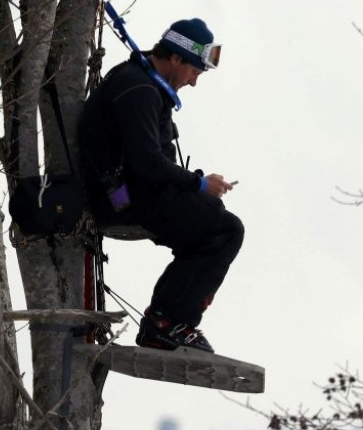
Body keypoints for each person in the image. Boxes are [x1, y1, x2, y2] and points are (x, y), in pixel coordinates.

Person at [78, 18, 244, 353]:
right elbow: (147, 163)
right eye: (194, 71)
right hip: (123, 197)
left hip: (130, 192)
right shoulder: (139, 89)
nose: (193, 82)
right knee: (226, 230)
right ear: (176, 58)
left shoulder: (142, 82)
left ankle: (166, 320)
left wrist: (199, 190)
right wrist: (198, 184)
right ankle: (167, 323)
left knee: (212, 219)